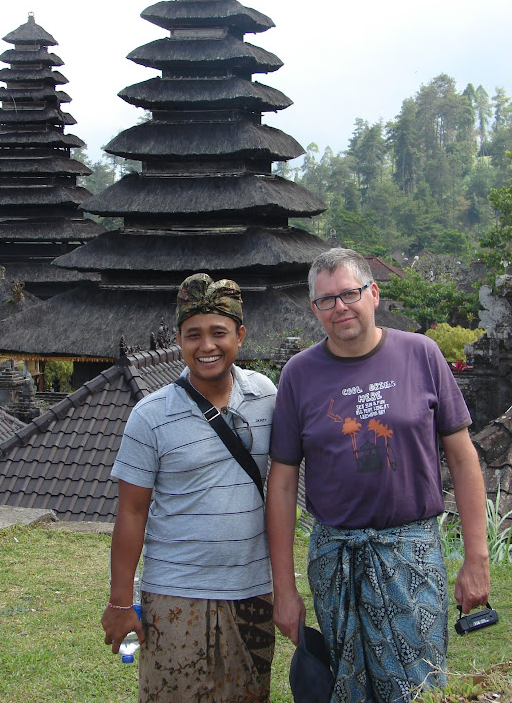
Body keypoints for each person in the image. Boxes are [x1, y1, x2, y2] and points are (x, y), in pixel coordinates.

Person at [266, 248, 490, 703]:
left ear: (373, 294)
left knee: (419, 687)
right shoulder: (299, 375)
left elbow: (464, 460)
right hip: (336, 559)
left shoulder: (422, 355)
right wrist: (284, 589)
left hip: (411, 555)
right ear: (314, 309)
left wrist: (476, 557)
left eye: (349, 293)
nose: (339, 308)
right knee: (345, 688)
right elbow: (283, 483)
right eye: (326, 300)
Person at [102, 273, 276, 703]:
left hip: (252, 590)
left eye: (219, 333)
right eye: (193, 334)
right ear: (178, 340)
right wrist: (121, 601)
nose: (207, 346)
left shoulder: (267, 396)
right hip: (175, 594)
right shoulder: (150, 415)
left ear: (241, 335)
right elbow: (131, 512)